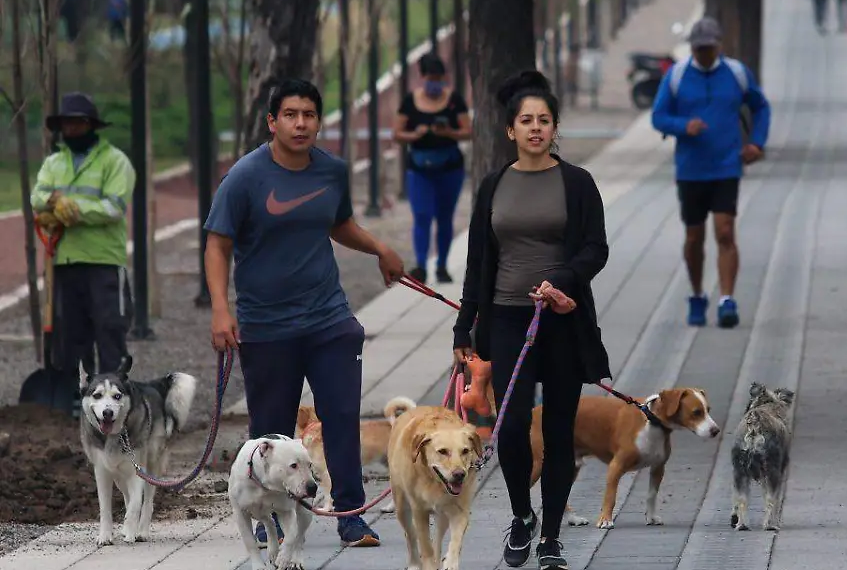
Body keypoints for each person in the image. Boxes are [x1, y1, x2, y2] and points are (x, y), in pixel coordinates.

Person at [203, 78, 406, 548]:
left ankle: (351, 515)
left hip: (328, 318)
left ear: (319, 120)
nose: (300, 124)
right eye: (290, 115)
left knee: (340, 416)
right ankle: (267, 516)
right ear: (272, 121)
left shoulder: (331, 171)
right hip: (266, 326)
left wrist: (379, 248)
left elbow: (338, 223)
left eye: (309, 115)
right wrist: (220, 309)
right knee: (270, 433)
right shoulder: (245, 177)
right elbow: (217, 244)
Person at [451, 70, 610, 570]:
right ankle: (523, 516)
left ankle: (552, 539)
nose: (536, 128)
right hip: (505, 319)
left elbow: (595, 249)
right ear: (510, 131)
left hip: (562, 319)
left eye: (544, 120)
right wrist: (464, 327)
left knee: (560, 430)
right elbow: (479, 262)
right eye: (526, 120)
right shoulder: (494, 186)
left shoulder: (577, 183)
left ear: (555, 128)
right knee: (514, 423)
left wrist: (563, 279)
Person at [651, 16, 771, 329]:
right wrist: (683, 126)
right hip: (690, 170)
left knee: (725, 231)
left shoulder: (736, 73)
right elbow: (658, 116)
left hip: (726, 165)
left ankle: (727, 300)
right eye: (699, 48)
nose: (704, 53)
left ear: (719, 45)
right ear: (692, 47)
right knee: (694, 237)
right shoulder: (677, 76)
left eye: (709, 47)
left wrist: (756, 142)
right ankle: (697, 294)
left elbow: (761, 107)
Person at [31, 92, 135, 378]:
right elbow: (36, 196)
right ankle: (77, 401)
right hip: (64, 260)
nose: (71, 129)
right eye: (67, 124)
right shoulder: (54, 163)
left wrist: (74, 209)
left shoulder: (115, 162)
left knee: (109, 329)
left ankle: (115, 397)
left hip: (103, 261)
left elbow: (114, 207)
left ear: (91, 125)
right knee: (72, 335)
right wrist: (53, 201)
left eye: (77, 123)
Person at [393, 53, 472, 284]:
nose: (434, 83)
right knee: (422, 215)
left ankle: (442, 265)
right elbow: (397, 134)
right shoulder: (409, 101)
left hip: (449, 167)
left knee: (445, 216)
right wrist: (414, 134)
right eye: (430, 78)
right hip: (419, 167)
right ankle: (421, 265)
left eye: (438, 78)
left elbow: (468, 130)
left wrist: (449, 133)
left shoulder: (454, 100)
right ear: (422, 77)